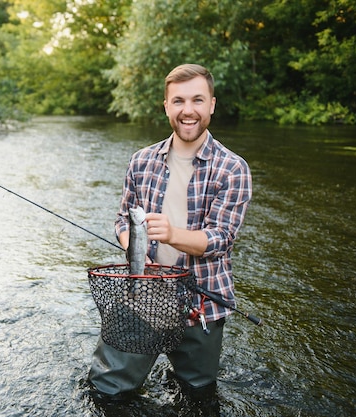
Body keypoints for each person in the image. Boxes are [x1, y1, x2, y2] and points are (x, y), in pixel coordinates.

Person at [88, 64, 252, 401]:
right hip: (143, 296)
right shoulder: (140, 161)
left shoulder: (233, 168)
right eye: (178, 101)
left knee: (197, 394)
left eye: (197, 100)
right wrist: (135, 242)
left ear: (212, 104)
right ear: (166, 106)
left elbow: (220, 240)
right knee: (107, 390)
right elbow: (122, 220)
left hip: (203, 301)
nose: (187, 110)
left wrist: (171, 233)